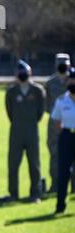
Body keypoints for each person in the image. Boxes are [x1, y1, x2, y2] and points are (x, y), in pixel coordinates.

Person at [0, 60, 45, 204]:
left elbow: (40, 112)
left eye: (25, 72)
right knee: (13, 164)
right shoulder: (11, 92)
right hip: (16, 133)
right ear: (15, 75)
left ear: (30, 73)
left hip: (32, 132)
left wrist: (30, 122)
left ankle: (35, 194)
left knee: (34, 164)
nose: (23, 75)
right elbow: (9, 111)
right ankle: (13, 194)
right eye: (20, 73)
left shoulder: (38, 91)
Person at [45, 53, 74, 193]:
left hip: (72, 124)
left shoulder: (73, 80)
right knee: (55, 154)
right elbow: (46, 105)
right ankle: (55, 186)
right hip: (54, 125)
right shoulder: (50, 83)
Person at [51, 67, 75, 214]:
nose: (73, 82)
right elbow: (57, 122)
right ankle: (60, 205)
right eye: (71, 79)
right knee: (63, 172)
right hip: (67, 137)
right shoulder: (61, 100)